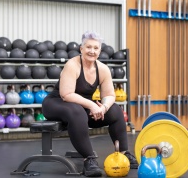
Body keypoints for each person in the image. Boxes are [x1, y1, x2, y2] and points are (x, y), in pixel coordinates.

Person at [42, 31, 138, 177]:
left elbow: (110, 95)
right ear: (81, 49)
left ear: (99, 51)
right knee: (77, 111)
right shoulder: (72, 65)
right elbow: (66, 94)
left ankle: (124, 153)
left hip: (81, 106)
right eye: (88, 47)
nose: (92, 51)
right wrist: (92, 105)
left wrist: (103, 107)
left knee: (115, 111)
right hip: (56, 103)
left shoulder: (103, 69)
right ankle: (89, 159)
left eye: (95, 48)